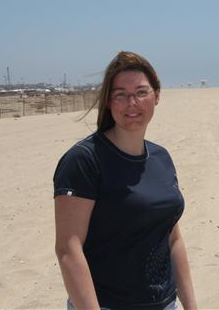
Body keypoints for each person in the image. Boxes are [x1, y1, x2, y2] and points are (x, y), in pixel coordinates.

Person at [53, 51, 197, 310]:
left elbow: (172, 237)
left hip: (166, 304)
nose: (132, 103)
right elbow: (68, 249)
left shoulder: (161, 157)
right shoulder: (84, 160)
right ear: (109, 101)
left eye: (141, 92)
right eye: (121, 95)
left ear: (156, 95)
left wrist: (191, 306)